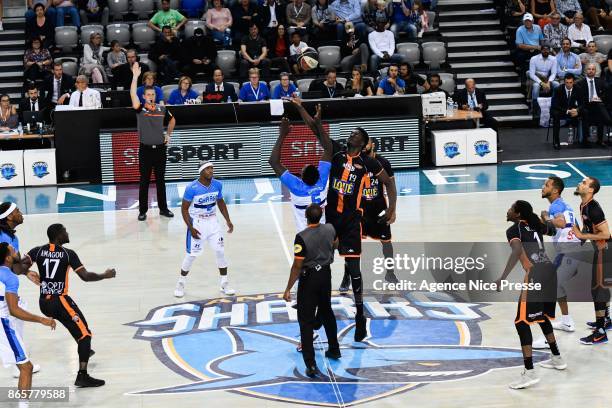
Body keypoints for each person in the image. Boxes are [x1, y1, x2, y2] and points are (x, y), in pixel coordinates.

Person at [298, 105, 396, 342]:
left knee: (355, 271)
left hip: (352, 222)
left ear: (362, 143)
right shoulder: (337, 154)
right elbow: (315, 130)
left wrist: (392, 208)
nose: (351, 134)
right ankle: (321, 311)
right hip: (331, 221)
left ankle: (360, 317)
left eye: (356, 134)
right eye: (351, 132)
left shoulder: (368, 163)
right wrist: (301, 108)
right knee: (321, 264)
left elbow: (390, 183)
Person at [25, 224, 115, 387]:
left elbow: (20, 265)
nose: (68, 233)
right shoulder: (68, 254)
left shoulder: (37, 251)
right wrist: (105, 275)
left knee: (79, 325)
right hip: (59, 300)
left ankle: (85, 349)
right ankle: (82, 375)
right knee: (85, 334)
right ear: (59, 235)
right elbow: (86, 276)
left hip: (44, 302)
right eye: (65, 231)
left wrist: (26, 272)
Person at [496, 200, 566, 389]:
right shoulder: (534, 225)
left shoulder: (514, 230)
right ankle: (557, 358)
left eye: (511, 208)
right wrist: (547, 219)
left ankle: (530, 372)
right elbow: (551, 230)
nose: (508, 210)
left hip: (536, 275)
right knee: (542, 317)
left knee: (521, 322)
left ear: (517, 214)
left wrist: (502, 277)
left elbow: (517, 250)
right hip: (550, 272)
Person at [282, 204, 340, 378]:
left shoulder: (301, 237)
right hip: (325, 276)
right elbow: (336, 244)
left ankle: (311, 364)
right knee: (327, 312)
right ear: (321, 215)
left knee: (306, 321)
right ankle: (334, 349)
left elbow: (298, 265)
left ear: (306, 217)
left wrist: (288, 288)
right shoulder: (330, 228)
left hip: (310, 280)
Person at [0, 243, 55, 405]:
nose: (17, 251)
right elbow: (14, 310)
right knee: (26, 367)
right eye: (13, 251)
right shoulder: (10, 278)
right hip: (5, 325)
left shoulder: (7, 273)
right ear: (8, 258)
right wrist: (42, 319)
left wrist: (26, 272)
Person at [533, 176, 582, 350]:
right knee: (558, 287)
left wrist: (546, 217)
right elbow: (572, 228)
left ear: (555, 190)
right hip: (571, 253)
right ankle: (567, 322)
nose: (542, 187)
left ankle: (547, 339)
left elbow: (560, 222)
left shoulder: (555, 206)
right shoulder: (565, 206)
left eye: (546, 185)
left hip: (569, 254)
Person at [174, 161, 235, 298]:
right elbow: (184, 209)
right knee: (191, 255)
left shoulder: (217, 184)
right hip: (198, 224)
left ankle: (224, 283)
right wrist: (191, 228)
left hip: (213, 222)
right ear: (201, 171)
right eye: (208, 169)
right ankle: (180, 283)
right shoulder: (192, 187)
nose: (211, 171)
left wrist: (228, 220)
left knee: (220, 251)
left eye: (212, 168)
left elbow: (220, 202)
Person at [268, 103, 332, 231]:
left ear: (301, 178)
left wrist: (283, 134)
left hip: (305, 236)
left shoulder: (297, 187)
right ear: (318, 174)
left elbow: (273, 162)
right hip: (324, 233)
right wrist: (318, 123)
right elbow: (328, 149)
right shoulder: (322, 182)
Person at [130, 63, 176, 221]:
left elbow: (173, 120)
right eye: (148, 95)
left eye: (153, 95)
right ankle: (142, 211)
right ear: (144, 96)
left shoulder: (161, 109)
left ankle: (163, 209)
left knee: (161, 180)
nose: (151, 97)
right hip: (145, 150)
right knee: (144, 181)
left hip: (160, 150)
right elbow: (132, 95)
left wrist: (168, 135)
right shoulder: (140, 109)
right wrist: (135, 77)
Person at [572, 177, 611, 345]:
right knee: (601, 288)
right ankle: (607, 320)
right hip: (601, 251)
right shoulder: (583, 205)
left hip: (605, 251)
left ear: (590, 190)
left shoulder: (593, 209)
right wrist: (580, 238)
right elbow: (588, 228)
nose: (580, 184)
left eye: (584, 183)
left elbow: (606, 234)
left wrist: (582, 235)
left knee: (598, 290)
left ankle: (601, 332)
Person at [358, 139, 398, 283]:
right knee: (352, 244)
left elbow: (391, 186)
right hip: (360, 210)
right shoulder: (355, 162)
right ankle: (348, 277)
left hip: (379, 208)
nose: (364, 146)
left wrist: (392, 210)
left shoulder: (384, 163)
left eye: (366, 143)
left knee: (386, 242)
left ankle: (390, 273)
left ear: (373, 145)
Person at [578, 63, 612, 146]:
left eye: (593, 69)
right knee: (592, 111)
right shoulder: (580, 83)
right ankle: (585, 140)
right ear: (586, 71)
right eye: (589, 69)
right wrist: (590, 100)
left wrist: (600, 99)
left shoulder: (600, 81)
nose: (591, 71)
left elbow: (606, 94)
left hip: (598, 105)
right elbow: (580, 98)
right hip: (586, 106)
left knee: (599, 109)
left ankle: (599, 140)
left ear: (595, 71)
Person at [550, 73, 582, 148]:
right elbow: (555, 105)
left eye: (570, 82)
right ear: (564, 82)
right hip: (561, 110)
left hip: (573, 111)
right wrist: (567, 111)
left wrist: (577, 110)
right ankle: (556, 141)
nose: (568, 85)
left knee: (585, 112)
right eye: (566, 82)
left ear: (573, 82)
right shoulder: (558, 89)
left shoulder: (578, 89)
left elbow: (582, 103)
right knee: (556, 114)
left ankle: (584, 140)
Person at [529, 43, 559, 109]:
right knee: (536, 86)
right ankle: (535, 107)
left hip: (548, 79)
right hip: (537, 79)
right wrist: (541, 83)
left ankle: (554, 104)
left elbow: (554, 73)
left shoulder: (553, 59)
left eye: (547, 50)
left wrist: (549, 82)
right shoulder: (533, 59)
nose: (545, 51)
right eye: (544, 50)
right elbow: (532, 74)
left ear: (549, 51)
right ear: (541, 50)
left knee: (557, 84)